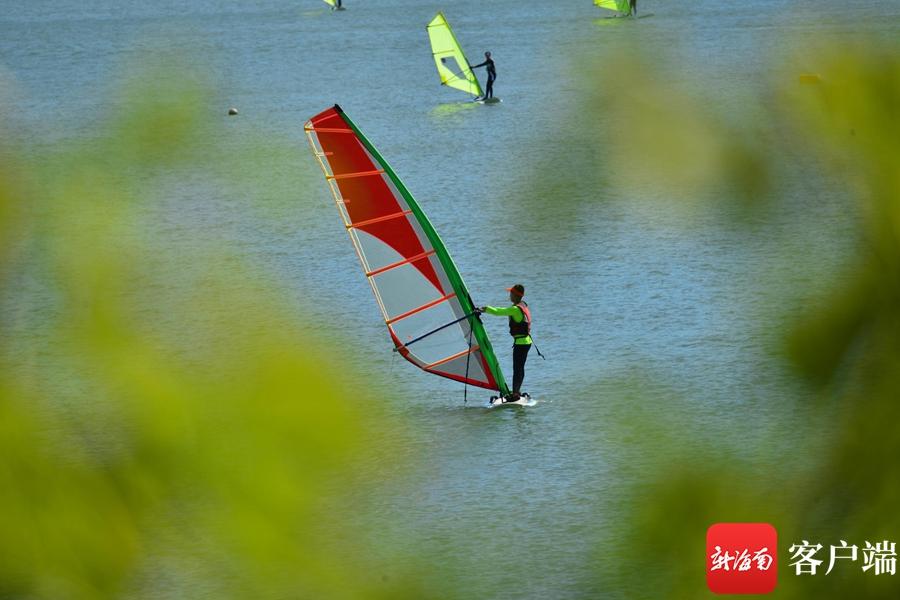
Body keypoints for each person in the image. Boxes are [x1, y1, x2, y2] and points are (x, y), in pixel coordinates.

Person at [478, 284, 531, 402]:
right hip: (526, 342)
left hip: (521, 343)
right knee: (520, 368)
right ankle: (516, 391)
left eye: (511, 293)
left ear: (516, 295)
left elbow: (499, 311)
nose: (509, 295)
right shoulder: (523, 306)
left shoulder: (515, 309)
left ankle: (516, 394)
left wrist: (486, 309)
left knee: (517, 368)